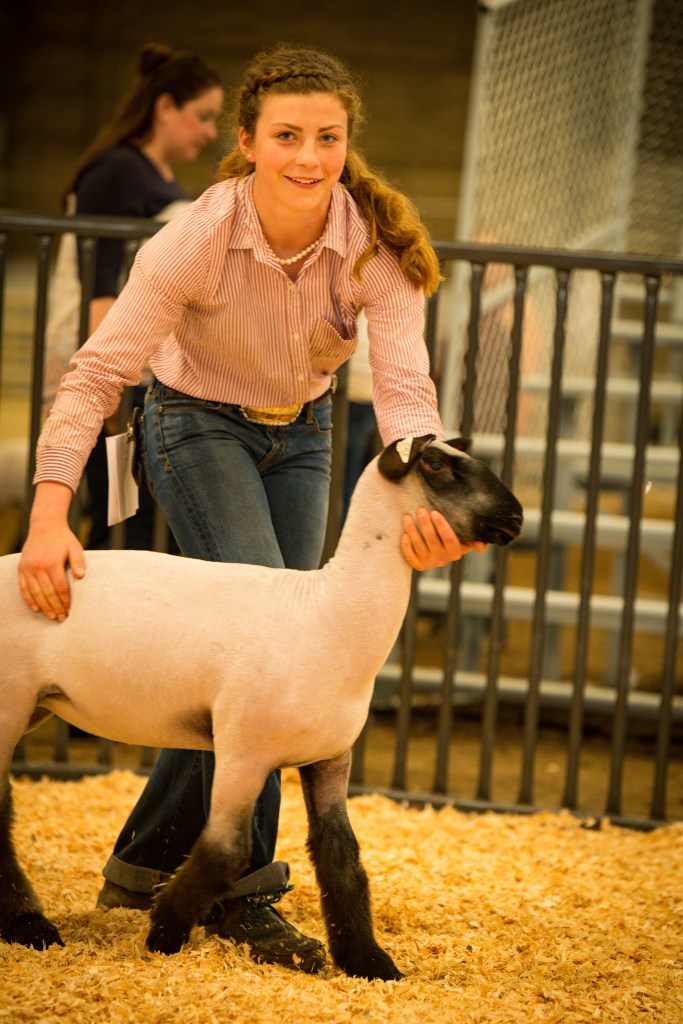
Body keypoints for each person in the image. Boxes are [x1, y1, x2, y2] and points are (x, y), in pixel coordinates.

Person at [18, 44, 485, 973]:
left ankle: (144, 863)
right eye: (287, 136)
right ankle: (241, 892)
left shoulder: (374, 247)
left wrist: (428, 509)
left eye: (328, 138)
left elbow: (406, 396)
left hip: (304, 434)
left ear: (347, 143)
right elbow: (98, 372)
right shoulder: (194, 238)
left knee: (263, 664)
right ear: (246, 141)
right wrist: (46, 511)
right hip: (192, 424)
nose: (309, 157)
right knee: (273, 652)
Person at [50, 42, 224, 550]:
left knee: (138, 521)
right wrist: (106, 385)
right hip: (110, 365)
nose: (210, 132)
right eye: (203, 116)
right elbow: (99, 278)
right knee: (121, 522)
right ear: (165, 107)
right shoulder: (119, 169)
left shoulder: (151, 174)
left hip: (139, 370)